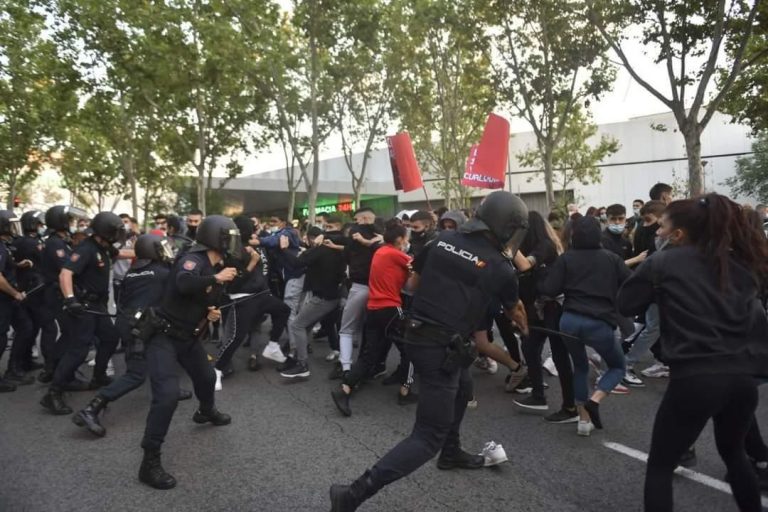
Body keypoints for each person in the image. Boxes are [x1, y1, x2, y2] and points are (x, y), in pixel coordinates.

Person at [329, 191, 529, 512]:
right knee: (427, 436)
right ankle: (352, 495)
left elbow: (411, 285)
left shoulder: (441, 240)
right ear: (507, 227)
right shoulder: (500, 267)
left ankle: (451, 452)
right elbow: (515, 311)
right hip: (440, 348)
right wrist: (526, 329)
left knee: (463, 386)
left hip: (418, 334)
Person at [618, 193, 768, 512]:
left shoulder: (664, 262)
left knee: (660, 466)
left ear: (679, 233)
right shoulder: (741, 264)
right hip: (742, 379)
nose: (658, 232)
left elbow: (626, 304)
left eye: (663, 227)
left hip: (696, 377)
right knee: (735, 455)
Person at [139, 215, 239, 490]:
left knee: (207, 378)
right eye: (230, 238)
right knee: (167, 396)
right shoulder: (193, 259)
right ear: (217, 238)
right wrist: (216, 277)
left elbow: (201, 296)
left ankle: (206, 411)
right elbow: (184, 283)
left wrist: (210, 311)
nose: (234, 243)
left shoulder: (216, 264)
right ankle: (149, 461)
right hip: (164, 337)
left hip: (188, 337)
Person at [72, 233, 192, 437]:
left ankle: (167, 388)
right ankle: (92, 408)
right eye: (162, 249)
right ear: (154, 252)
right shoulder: (162, 273)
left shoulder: (132, 272)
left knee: (162, 353)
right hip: (140, 327)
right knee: (136, 374)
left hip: (129, 323)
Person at [539, 216, 631, 436]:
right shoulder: (612, 258)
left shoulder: (566, 258)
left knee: (580, 366)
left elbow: (549, 289)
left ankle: (583, 421)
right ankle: (594, 400)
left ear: (574, 235)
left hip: (569, 320)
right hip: (600, 321)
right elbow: (631, 283)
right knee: (618, 367)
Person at [41, 212, 133, 415]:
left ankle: (99, 376)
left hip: (97, 305)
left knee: (110, 338)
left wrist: (151, 251)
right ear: (106, 232)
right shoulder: (86, 249)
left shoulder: (103, 246)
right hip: (84, 306)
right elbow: (65, 273)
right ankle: (53, 393)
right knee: (79, 349)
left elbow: (122, 253)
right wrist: (70, 299)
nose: (119, 235)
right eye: (116, 231)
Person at [331, 222, 417, 416]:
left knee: (369, 354)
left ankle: (345, 388)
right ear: (400, 239)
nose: (407, 242)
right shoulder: (396, 254)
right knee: (410, 349)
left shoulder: (380, 252)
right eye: (406, 238)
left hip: (373, 308)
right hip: (391, 308)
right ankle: (405, 390)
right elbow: (416, 273)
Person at [511, 211, 577, 423]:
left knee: (559, 356)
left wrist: (508, 244)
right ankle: (538, 395)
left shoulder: (545, 246)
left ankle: (570, 407)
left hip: (553, 307)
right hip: (538, 307)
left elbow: (525, 265)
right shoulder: (535, 247)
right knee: (529, 347)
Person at [214, 216, 290, 380]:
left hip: (261, 294)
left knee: (283, 310)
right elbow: (235, 282)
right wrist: (252, 262)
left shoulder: (251, 246)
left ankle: (273, 346)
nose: (255, 231)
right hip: (243, 298)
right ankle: (217, 371)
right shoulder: (233, 251)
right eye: (252, 228)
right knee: (236, 337)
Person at [277, 219, 347, 379]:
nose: (325, 229)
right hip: (333, 295)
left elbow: (297, 263)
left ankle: (302, 364)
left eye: (328, 226)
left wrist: (284, 249)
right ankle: (295, 358)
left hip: (323, 297)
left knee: (297, 325)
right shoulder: (340, 248)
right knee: (306, 326)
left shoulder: (323, 249)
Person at [336, 208, 382, 374]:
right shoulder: (386, 235)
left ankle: (346, 367)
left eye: (356, 220)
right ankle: (370, 366)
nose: (354, 224)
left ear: (364, 218)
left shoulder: (356, 233)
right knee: (373, 332)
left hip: (360, 286)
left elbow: (346, 250)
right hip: (382, 289)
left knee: (346, 329)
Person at [253, 213, 304, 363]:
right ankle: (290, 344)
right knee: (286, 311)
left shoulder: (288, 232)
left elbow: (273, 241)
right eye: (270, 221)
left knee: (289, 311)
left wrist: (257, 240)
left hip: (293, 277)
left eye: (275, 221)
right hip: (282, 279)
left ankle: (295, 349)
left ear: (283, 222)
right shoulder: (276, 233)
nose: (271, 223)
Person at [37, 205, 79, 383]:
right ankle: (53, 369)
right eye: (69, 220)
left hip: (58, 292)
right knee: (70, 332)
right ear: (61, 222)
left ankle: (54, 369)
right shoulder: (55, 243)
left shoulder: (62, 241)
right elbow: (66, 267)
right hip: (57, 293)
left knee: (70, 331)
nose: (72, 223)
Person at [0, 210, 34, 391]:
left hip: (8, 299)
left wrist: (18, 265)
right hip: (4, 299)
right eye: (10, 225)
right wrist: (15, 294)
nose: (13, 229)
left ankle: (13, 370)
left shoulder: (4, 245)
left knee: (25, 328)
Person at [12, 210, 47, 373]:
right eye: (39, 224)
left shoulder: (23, 241)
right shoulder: (30, 243)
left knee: (31, 328)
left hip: (29, 287)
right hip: (30, 289)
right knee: (29, 328)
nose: (42, 226)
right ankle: (19, 364)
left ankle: (25, 361)